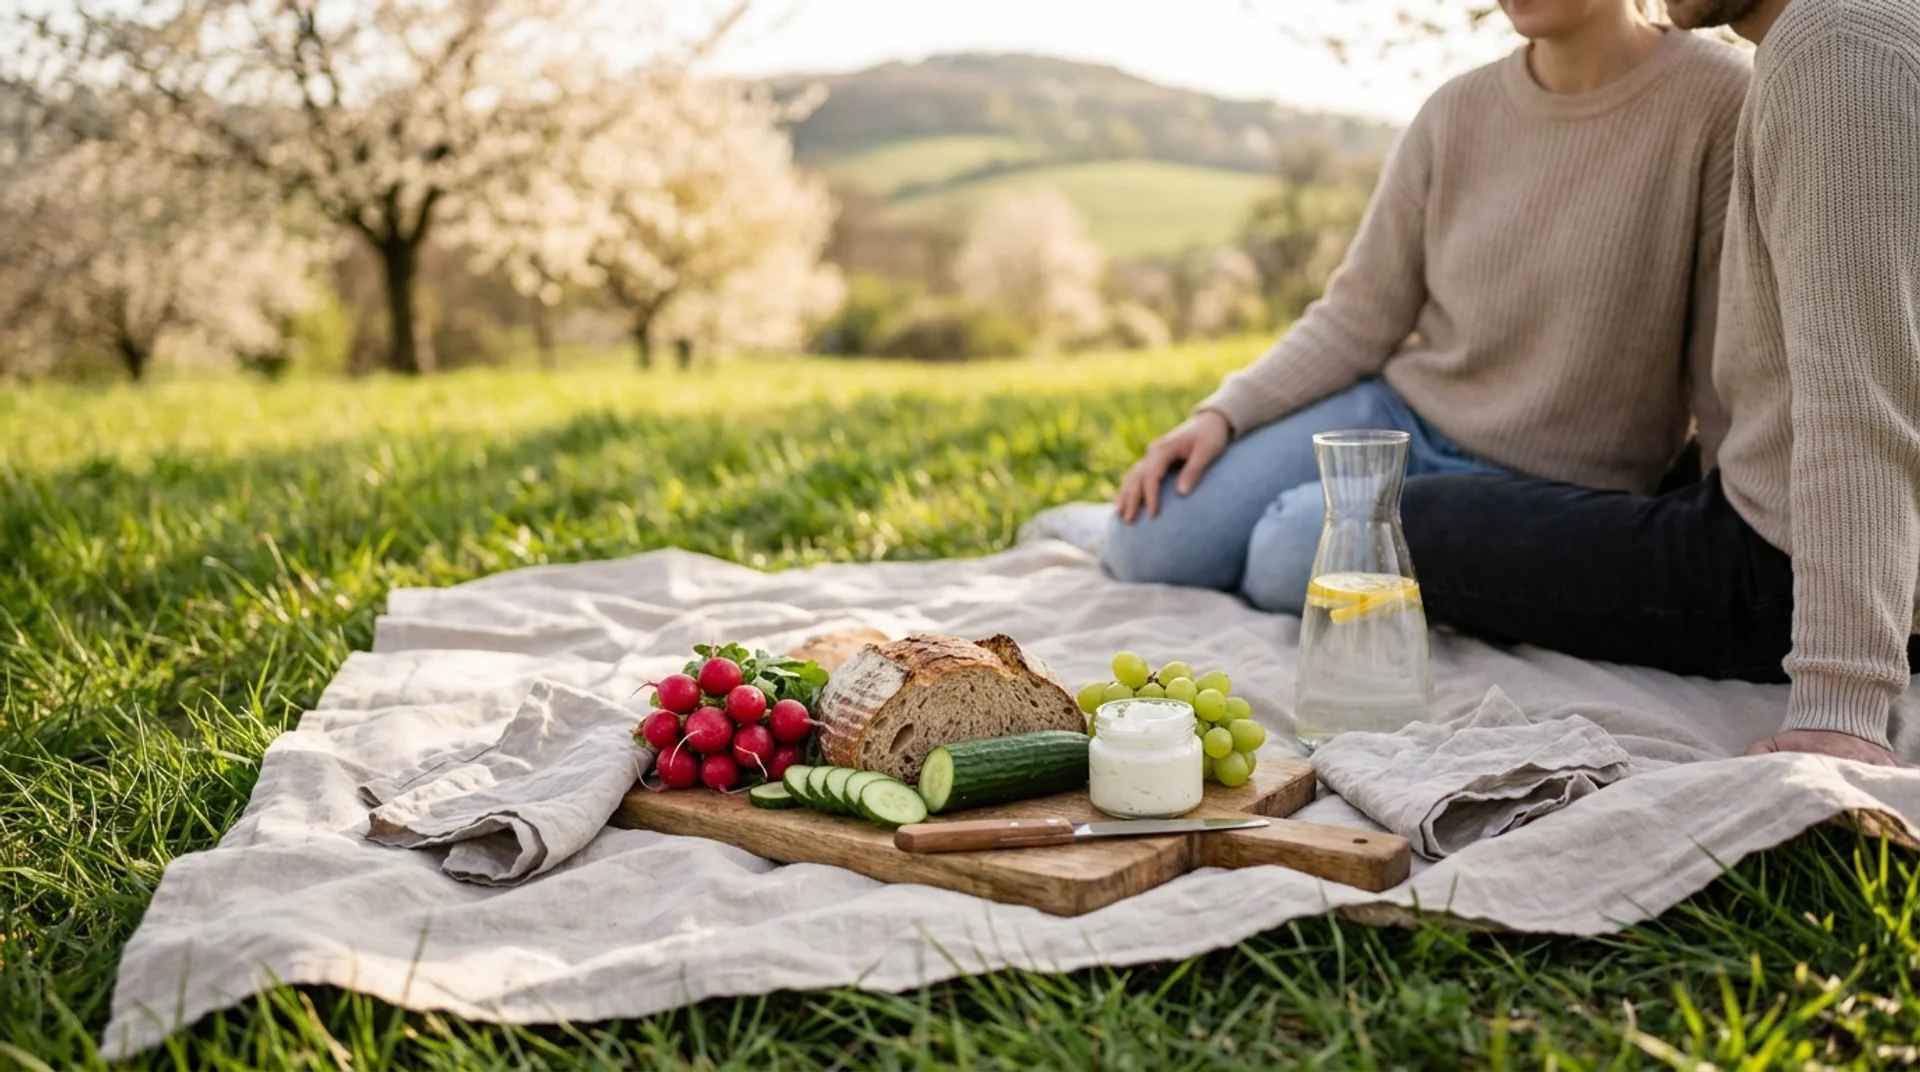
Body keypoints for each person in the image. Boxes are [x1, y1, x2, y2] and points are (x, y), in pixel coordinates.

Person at [1102, 0, 1752, 615]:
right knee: (1153, 541)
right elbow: (1358, 316)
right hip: (1399, 415)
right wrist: (1225, 414)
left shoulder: (1718, 98)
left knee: (1287, 556)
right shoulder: (1455, 110)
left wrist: (1735, 534)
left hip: (1547, 485)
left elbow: (1728, 357)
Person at [1398, 0, 1920, 765]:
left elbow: (1861, 406)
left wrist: (1840, 705)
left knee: (1404, 522)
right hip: (1795, 521)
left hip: (1775, 565)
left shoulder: (1834, 47)